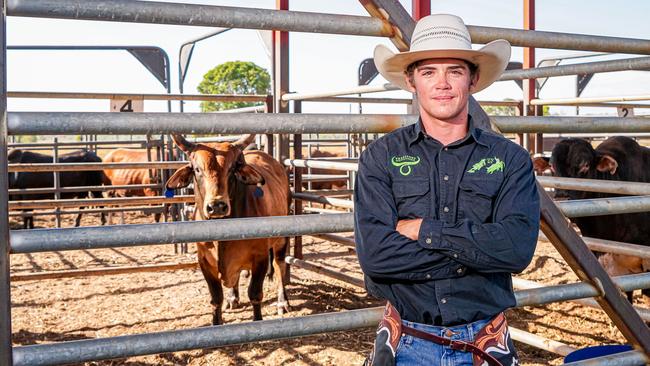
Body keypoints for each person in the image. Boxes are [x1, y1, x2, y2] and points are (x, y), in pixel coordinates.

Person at [354, 14, 540, 366]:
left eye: (454, 70)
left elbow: (516, 249)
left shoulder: (509, 158)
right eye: (429, 72)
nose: (442, 83)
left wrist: (423, 230)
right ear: (411, 81)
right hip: (406, 339)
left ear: (473, 79)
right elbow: (376, 257)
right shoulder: (380, 157)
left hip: (485, 340)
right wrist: (478, 252)